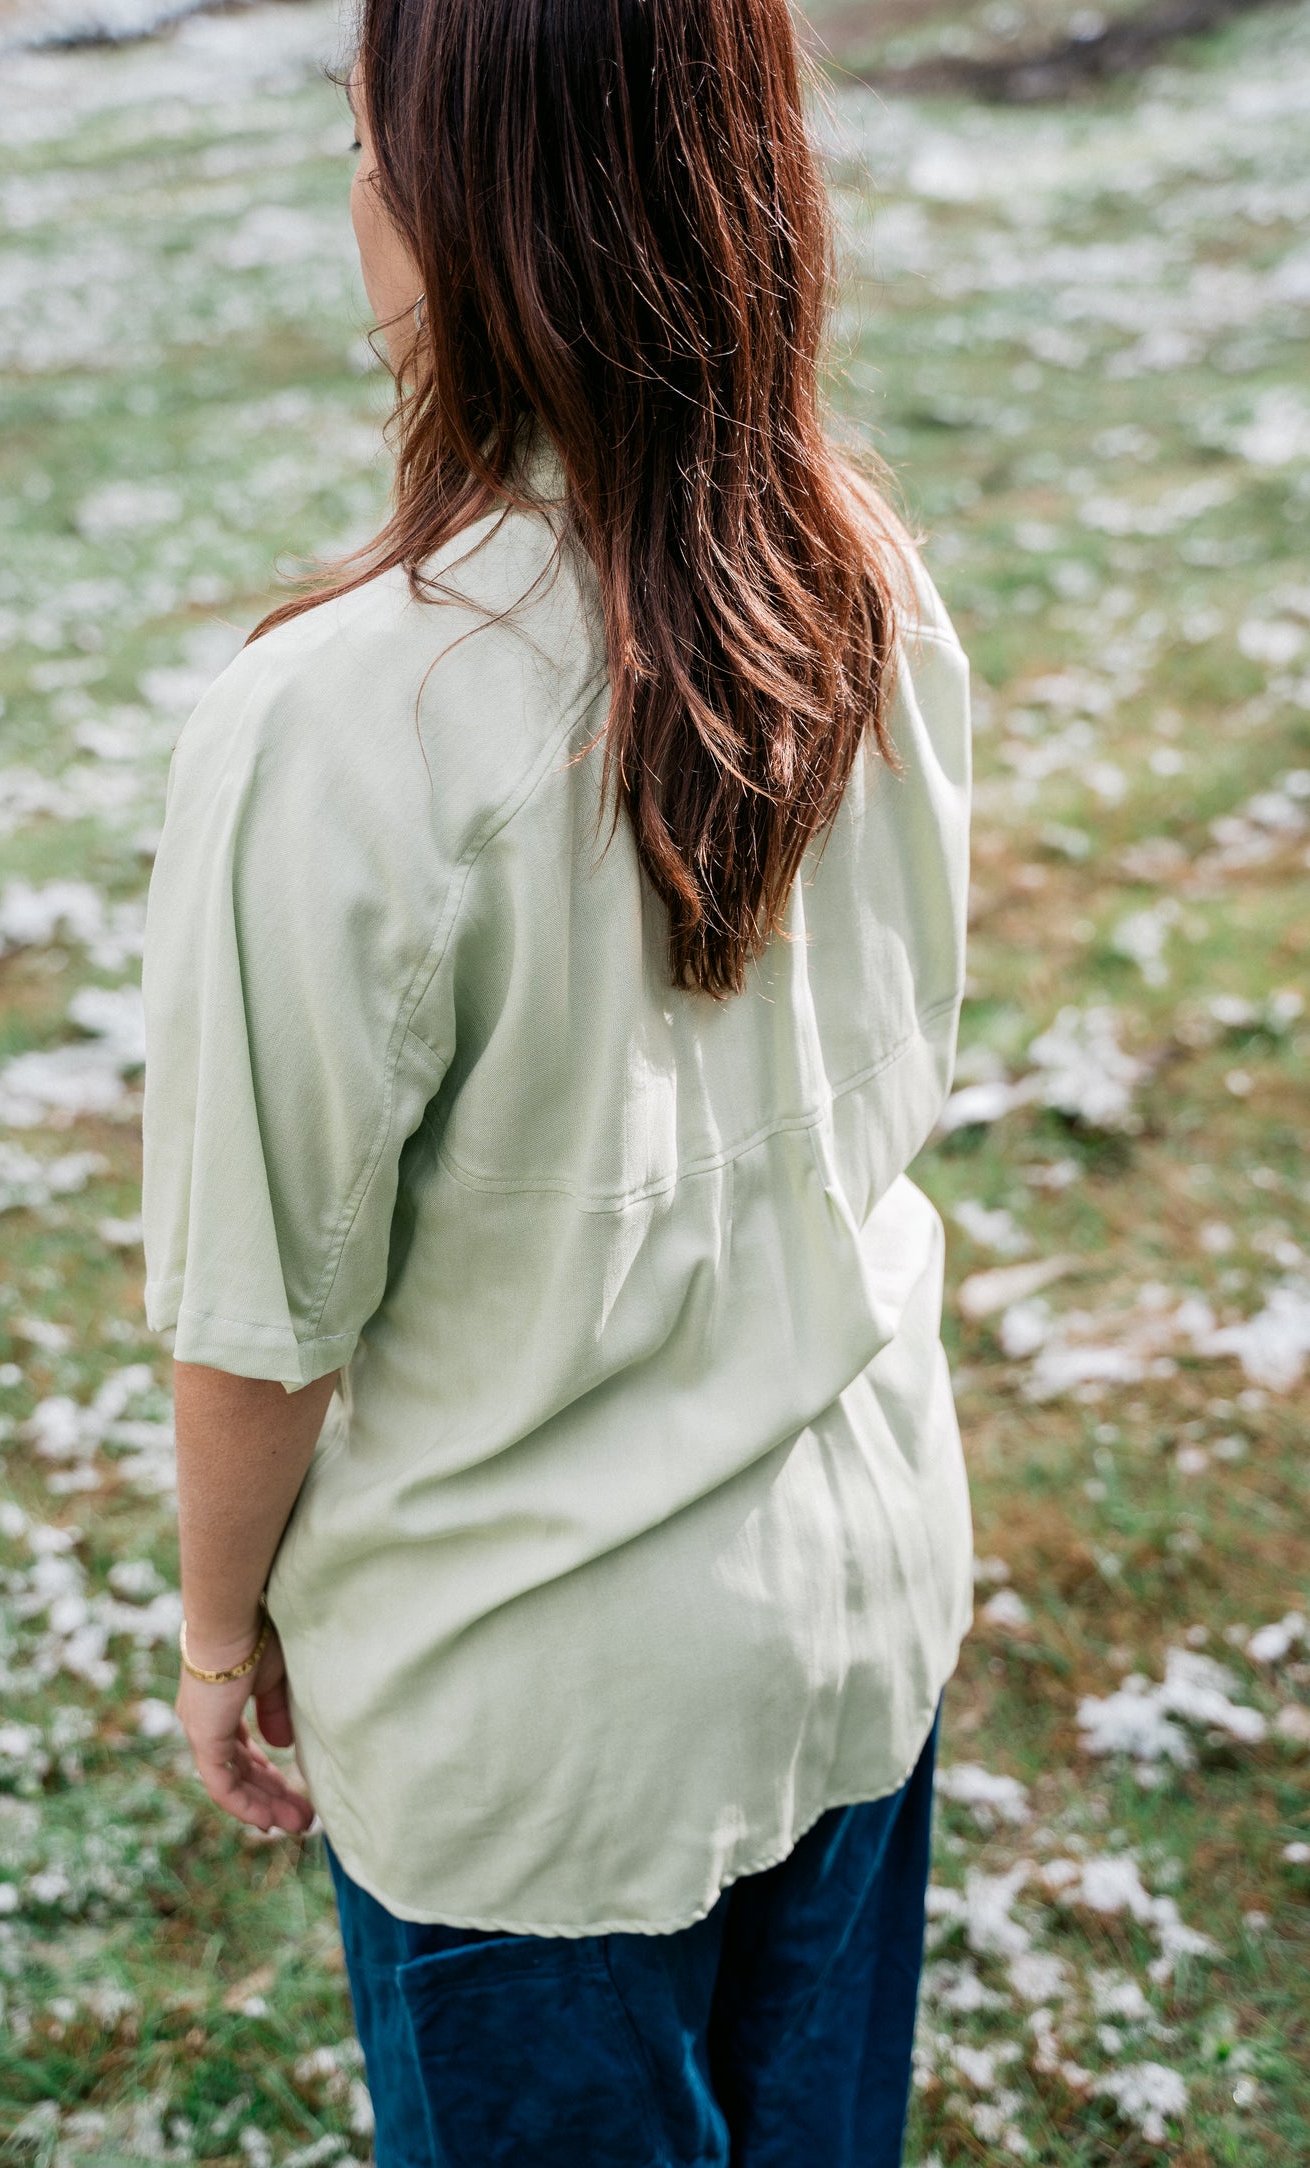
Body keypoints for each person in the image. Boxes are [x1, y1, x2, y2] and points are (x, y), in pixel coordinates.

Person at [142, 0, 975, 2159]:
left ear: (465, 203)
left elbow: (261, 1319)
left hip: (538, 1728)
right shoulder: (856, 571)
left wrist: (216, 1641)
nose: (355, 199)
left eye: (365, 143)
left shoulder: (343, 717)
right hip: (863, 1597)